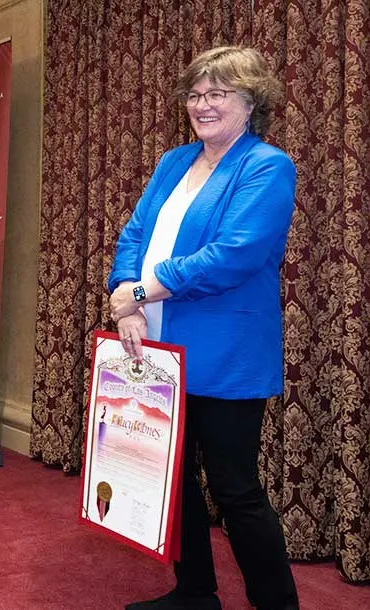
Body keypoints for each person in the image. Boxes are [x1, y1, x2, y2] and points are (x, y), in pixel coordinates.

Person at [107, 46, 299, 610]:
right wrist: (127, 301)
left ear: (251, 101)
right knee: (171, 478)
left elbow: (232, 255)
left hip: (226, 353)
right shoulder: (174, 161)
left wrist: (141, 291)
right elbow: (134, 234)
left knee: (235, 489)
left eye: (217, 93)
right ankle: (195, 592)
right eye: (194, 94)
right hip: (154, 345)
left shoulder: (266, 166)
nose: (202, 105)